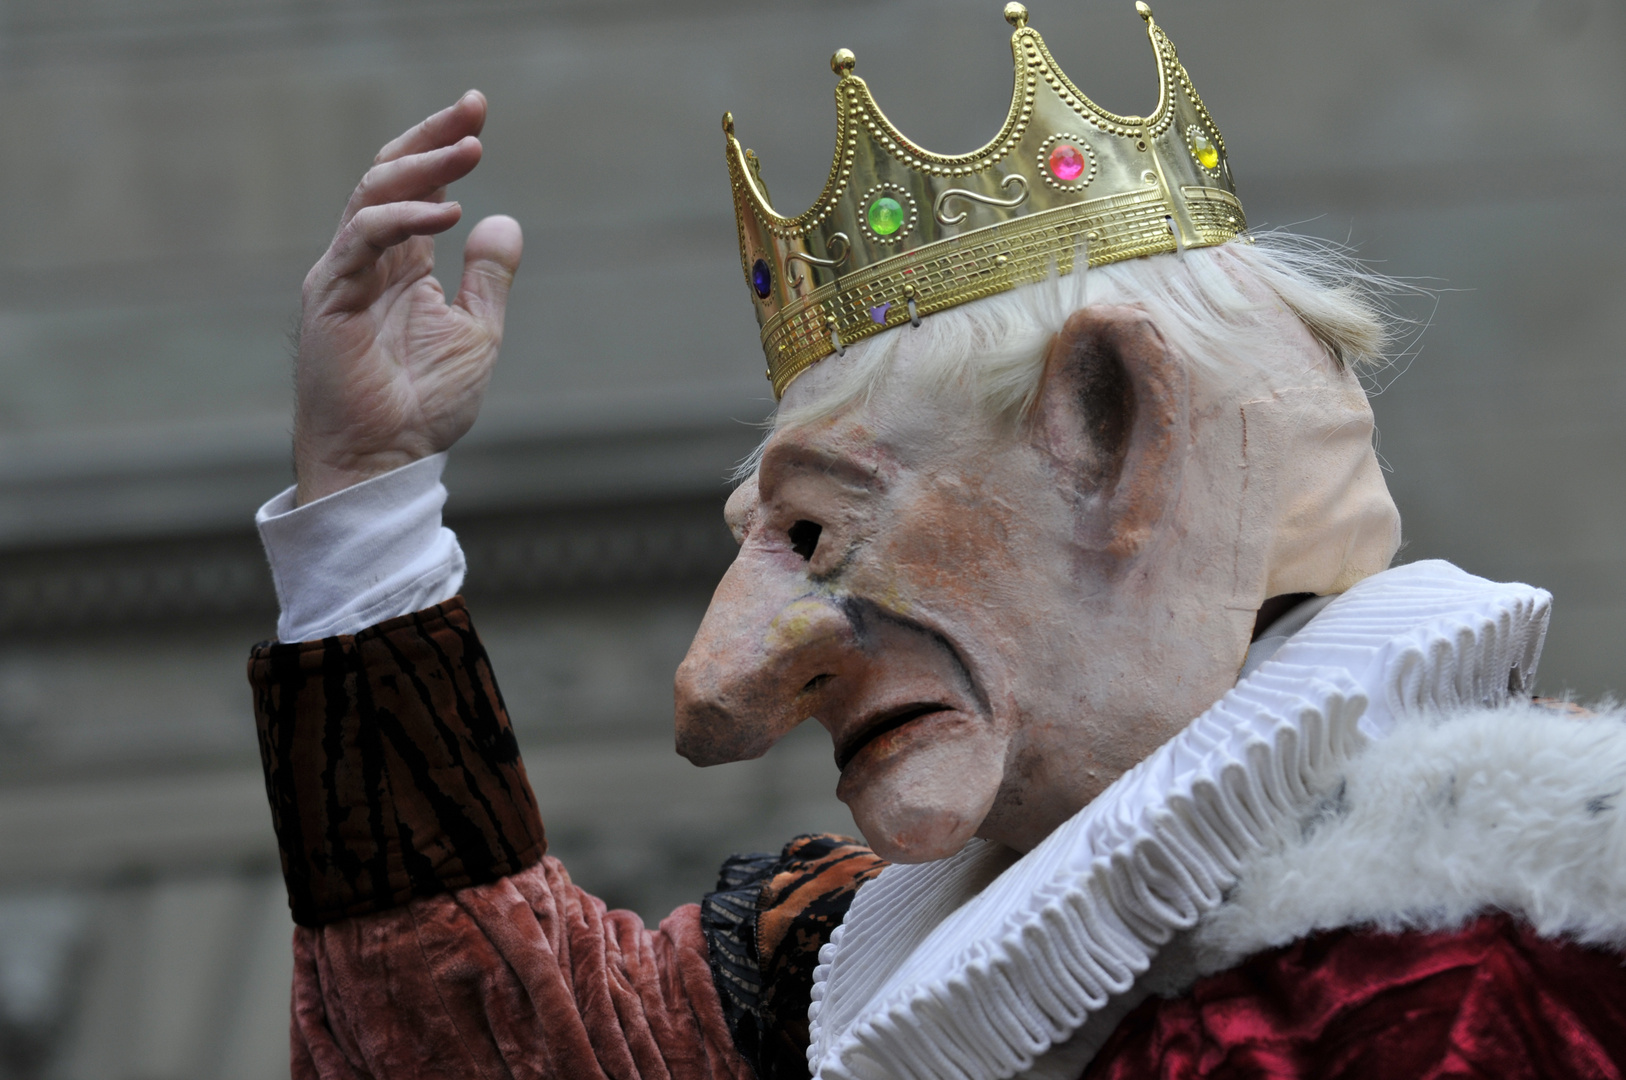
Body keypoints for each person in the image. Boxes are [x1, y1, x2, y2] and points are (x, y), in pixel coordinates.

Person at [249, 5, 1626, 1078]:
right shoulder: (839, 977)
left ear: (1111, 438)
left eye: (817, 531)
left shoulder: (1525, 952)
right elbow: (487, 1046)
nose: (722, 691)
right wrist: (364, 496)